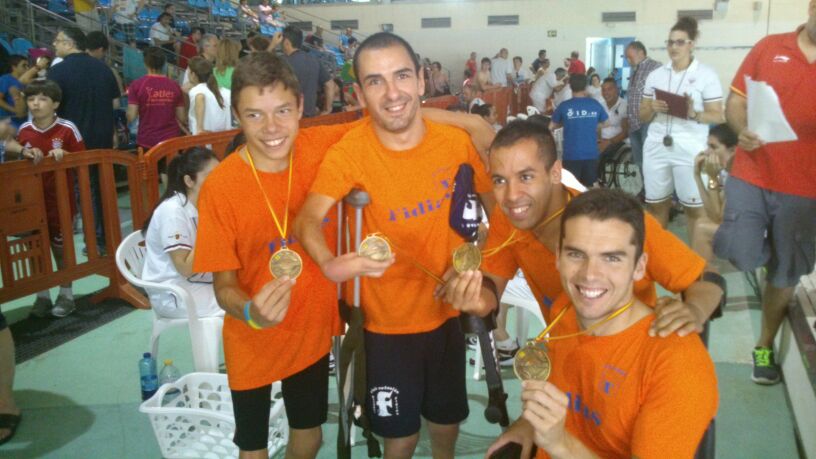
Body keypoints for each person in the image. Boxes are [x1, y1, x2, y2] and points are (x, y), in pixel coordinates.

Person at [293, 32, 495, 459]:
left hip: (445, 317)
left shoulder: (456, 144)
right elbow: (308, 219)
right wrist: (329, 264)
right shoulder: (351, 151)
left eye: (402, 76)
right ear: (360, 92)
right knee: (399, 439)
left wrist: (472, 264)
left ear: (422, 80)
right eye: (375, 81)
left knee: (447, 424)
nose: (392, 92)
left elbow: (491, 218)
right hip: (385, 328)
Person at [485, 188, 718, 459]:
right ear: (558, 257)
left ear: (640, 266)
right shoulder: (565, 310)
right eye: (576, 254)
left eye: (611, 258)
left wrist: (560, 443)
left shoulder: (677, 366)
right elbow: (562, 392)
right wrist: (527, 424)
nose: (590, 274)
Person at [466, 120, 723, 352]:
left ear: (555, 172)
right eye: (499, 180)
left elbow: (707, 280)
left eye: (526, 177)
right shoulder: (507, 217)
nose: (511, 195)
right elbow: (491, 286)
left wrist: (694, 310)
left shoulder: (616, 221)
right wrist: (472, 296)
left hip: (629, 363)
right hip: (570, 365)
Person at [713, 0, 816, 385]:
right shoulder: (769, 47)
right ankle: (769, 256)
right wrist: (740, 129)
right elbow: (736, 101)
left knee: (785, 272)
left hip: (805, 189)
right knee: (738, 249)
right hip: (752, 173)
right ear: (811, 6)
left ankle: (764, 344)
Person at [639, 16, 724, 253]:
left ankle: (697, 267)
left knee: (695, 210)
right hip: (657, 144)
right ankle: (659, 261)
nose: (673, 47)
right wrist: (651, 108)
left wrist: (693, 113)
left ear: (691, 44)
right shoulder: (656, 75)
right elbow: (642, 114)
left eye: (679, 42)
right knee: (656, 205)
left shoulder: (706, 75)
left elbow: (717, 115)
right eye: (670, 42)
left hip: (690, 146)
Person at [48, 26, 120, 254]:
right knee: (104, 190)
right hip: (103, 138)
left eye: (58, 41)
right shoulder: (103, 68)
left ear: (70, 43)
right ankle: (108, 238)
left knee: (84, 192)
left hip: (75, 141)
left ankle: (95, 241)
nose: (54, 45)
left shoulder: (58, 72)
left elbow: (52, 108)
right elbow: (113, 103)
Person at [17, 79, 86, 318]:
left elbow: (83, 161)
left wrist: (64, 155)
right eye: (31, 99)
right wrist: (24, 153)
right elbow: (15, 161)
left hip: (61, 200)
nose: (36, 104)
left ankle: (66, 294)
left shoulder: (67, 129)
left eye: (43, 98)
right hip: (33, 203)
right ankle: (42, 296)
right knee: (36, 248)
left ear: (55, 103)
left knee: (61, 247)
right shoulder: (23, 131)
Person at [142, 147, 223, 319]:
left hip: (198, 282)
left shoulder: (203, 205)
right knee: (240, 305)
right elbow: (185, 268)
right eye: (211, 175)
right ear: (189, 181)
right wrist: (212, 227)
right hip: (174, 293)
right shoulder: (173, 211)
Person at [550, 74, 608, 187]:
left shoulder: (564, 106)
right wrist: (591, 125)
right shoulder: (594, 104)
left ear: (570, 86)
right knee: (589, 187)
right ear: (586, 87)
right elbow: (606, 123)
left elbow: (551, 126)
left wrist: (567, 123)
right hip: (591, 153)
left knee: (571, 187)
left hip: (571, 155)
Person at [691, 124, 737, 267]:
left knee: (702, 229)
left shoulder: (739, 175)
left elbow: (718, 217)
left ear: (733, 150)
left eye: (714, 147)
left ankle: (701, 281)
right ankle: (701, 280)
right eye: (708, 146)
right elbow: (712, 213)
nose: (707, 152)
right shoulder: (727, 173)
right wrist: (697, 176)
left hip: (756, 237)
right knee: (701, 222)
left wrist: (712, 178)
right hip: (738, 227)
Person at [126, 47, 185, 150]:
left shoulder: (137, 85)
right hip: (171, 141)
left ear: (145, 63)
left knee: (150, 167)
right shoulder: (175, 86)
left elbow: (131, 116)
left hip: (147, 141)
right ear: (163, 63)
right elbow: (182, 117)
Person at [625, 41, 661, 173]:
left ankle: (654, 192)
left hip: (649, 122)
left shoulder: (655, 67)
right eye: (627, 57)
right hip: (634, 123)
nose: (628, 60)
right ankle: (645, 190)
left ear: (641, 52)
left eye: (630, 57)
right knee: (639, 161)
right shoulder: (635, 70)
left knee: (651, 160)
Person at [281, 26, 333, 117]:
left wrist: (271, 45)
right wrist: (328, 109)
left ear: (286, 42)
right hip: (310, 117)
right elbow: (330, 85)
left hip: (289, 118)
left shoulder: (282, 62)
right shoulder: (314, 59)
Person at [187, 56, 232, 135]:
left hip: (204, 142)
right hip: (225, 141)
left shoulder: (197, 90)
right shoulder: (226, 92)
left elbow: (200, 97)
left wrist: (199, 128)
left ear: (193, 74)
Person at [599, 77, 629, 156]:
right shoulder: (600, 106)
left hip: (618, 143)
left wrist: (609, 142)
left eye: (609, 89)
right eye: (603, 90)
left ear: (617, 90)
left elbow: (626, 132)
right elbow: (597, 127)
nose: (606, 93)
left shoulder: (625, 106)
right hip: (602, 141)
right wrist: (598, 141)